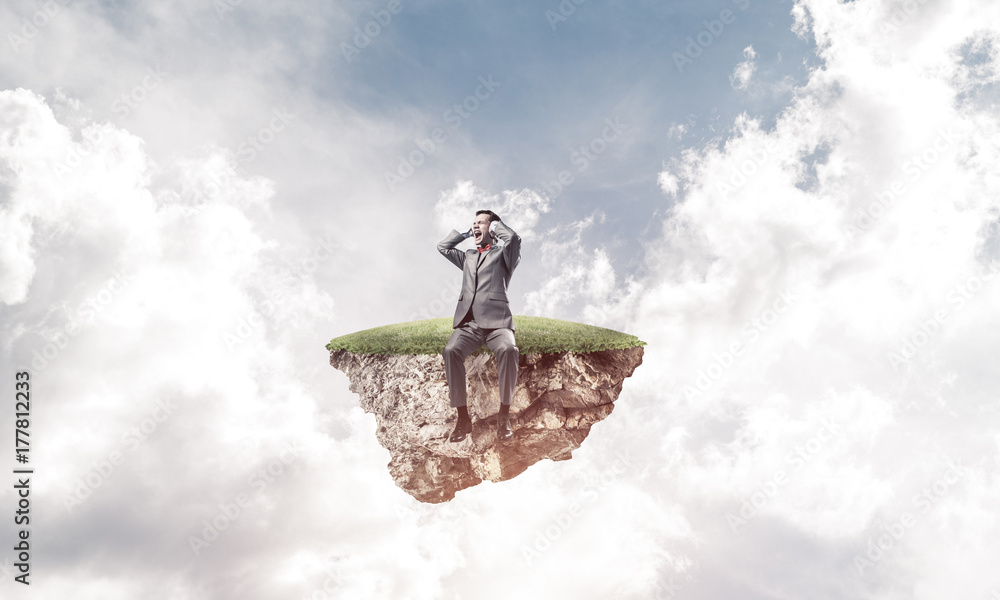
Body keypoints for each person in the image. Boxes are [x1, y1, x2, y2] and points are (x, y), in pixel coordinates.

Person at [437, 210, 521, 442]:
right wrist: (466, 233)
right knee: (451, 351)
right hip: (469, 323)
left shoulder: (504, 255)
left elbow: (513, 239)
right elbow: (443, 247)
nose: (475, 226)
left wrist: (495, 222)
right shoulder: (469, 256)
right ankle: (463, 418)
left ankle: (504, 416)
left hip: (498, 323)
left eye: (480, 223)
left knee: (508, 350)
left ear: (491, 229)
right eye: (473, 223)